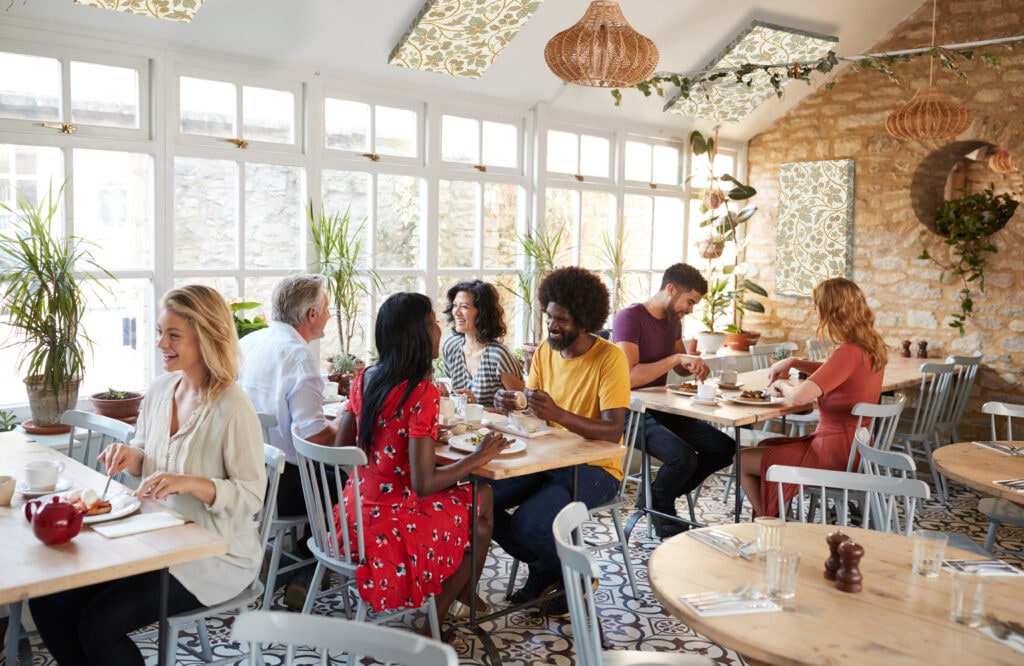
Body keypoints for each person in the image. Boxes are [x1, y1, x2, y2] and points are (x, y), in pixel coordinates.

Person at [30, 285, 266, 666]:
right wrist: (130, 456)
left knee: (99, 625)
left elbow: (251, 496)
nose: (161, 343)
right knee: (49, 599)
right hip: (155, 537)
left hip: (213, 556)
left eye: (174, 335)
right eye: (160, 332)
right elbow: (146, 454)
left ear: (205, 337)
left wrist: (188, 482)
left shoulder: (233, 408)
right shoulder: (160, 389)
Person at [334, 292, 511, 623]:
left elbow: (341, 449)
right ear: (414, 335)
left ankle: (458, 596)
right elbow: (424, 483)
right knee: (483, 497)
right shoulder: (422, 392)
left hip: (353, 513)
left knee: (481, 522)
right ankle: (442, 613)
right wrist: (479, 456)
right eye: (432, 324)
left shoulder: (365, 378)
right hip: (392, 525)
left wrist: (391, 448)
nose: (439, 331)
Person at [491, 266, 630, 616]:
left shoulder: (609, 358)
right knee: (480, 501)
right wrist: (512, 402)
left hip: (597, 467)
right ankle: (548, 567)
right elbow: (535, 411)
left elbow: (613, 430)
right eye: (549, 316)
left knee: (529, 523)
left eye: (562, 320)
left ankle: (580, 577)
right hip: (548, 457)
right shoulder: (544, 350)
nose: (552, 325)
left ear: (585, 320)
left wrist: (561, 413)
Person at [738, 277, 887, 517]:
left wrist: (781, 385)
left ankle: (768, 523)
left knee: (742, 460)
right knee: (766, 447)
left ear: (830, 310)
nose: (814, 310)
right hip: (855, 450)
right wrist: (794, 362)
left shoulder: (847, 351)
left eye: (816, 305)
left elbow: (798, 398)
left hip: (831, 454)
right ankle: (771, 518)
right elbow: (834, 370)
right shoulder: (871, 346)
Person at [612, 262, 736, 537]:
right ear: (671, 289)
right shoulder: (629, 318)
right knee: (683, 459)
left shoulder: (672, 321)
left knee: (722, 447)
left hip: (661, 407)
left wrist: (692, 363)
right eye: (690, 301)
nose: (691, 309)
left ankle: (656, 498)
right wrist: (677, 358)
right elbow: (629, 377)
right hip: (630, 411)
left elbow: (678, 366)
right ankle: (662, 508)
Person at [237, 274, 338, 519]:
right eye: (327, 310)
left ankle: (305, 545)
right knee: (352, 483)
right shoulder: (299, 358)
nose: (329, 316)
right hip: (278, 486)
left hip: (242, 475)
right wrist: (346, 420)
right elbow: (315, 438)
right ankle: (316, 548)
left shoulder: (248, 342)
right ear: (311, 314)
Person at [440, 279, 522, 407]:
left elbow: (523, 407)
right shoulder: (450, 345)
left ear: (483, 313)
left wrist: (476, 408)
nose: (456, 312)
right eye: (455, 305)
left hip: (499, 426)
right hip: (463, 425)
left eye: (465, 307)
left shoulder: (498, 355)